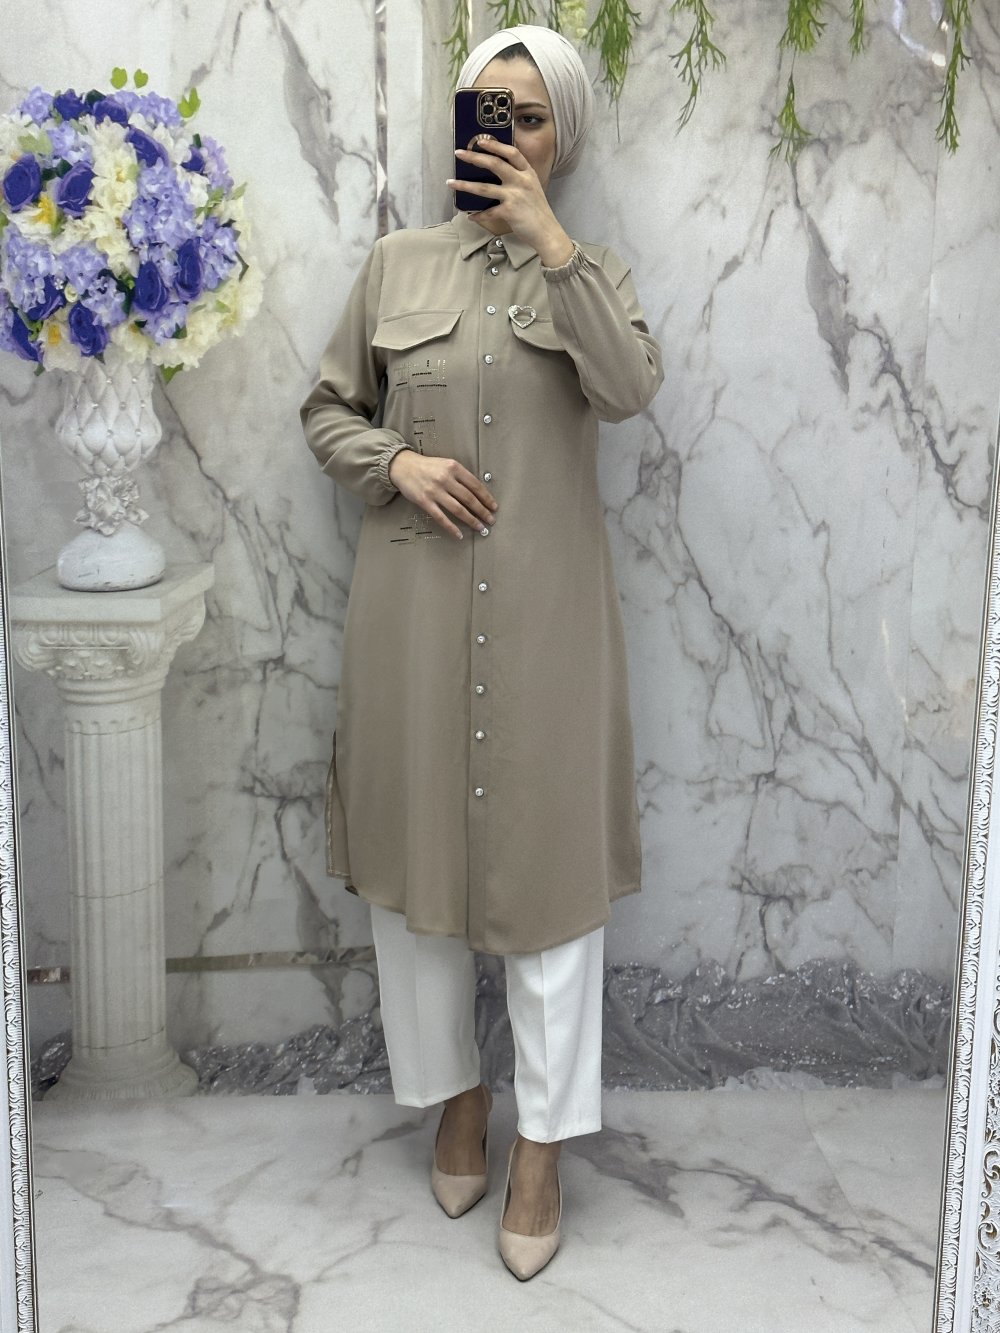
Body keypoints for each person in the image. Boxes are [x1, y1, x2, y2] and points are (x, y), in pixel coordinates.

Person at [300, 24, 663, 1280]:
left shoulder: (593, 275)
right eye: (486, 108)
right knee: (415, 871)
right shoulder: (397, 264)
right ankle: (454, 1098)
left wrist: (552, 245)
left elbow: (628, 390)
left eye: (530, 114)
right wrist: (395, 460)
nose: (505, 131)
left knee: (550, 884)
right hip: (408, 616)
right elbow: (327, 409)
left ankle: (542, 1146)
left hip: (550, 625)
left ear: (562, 139)